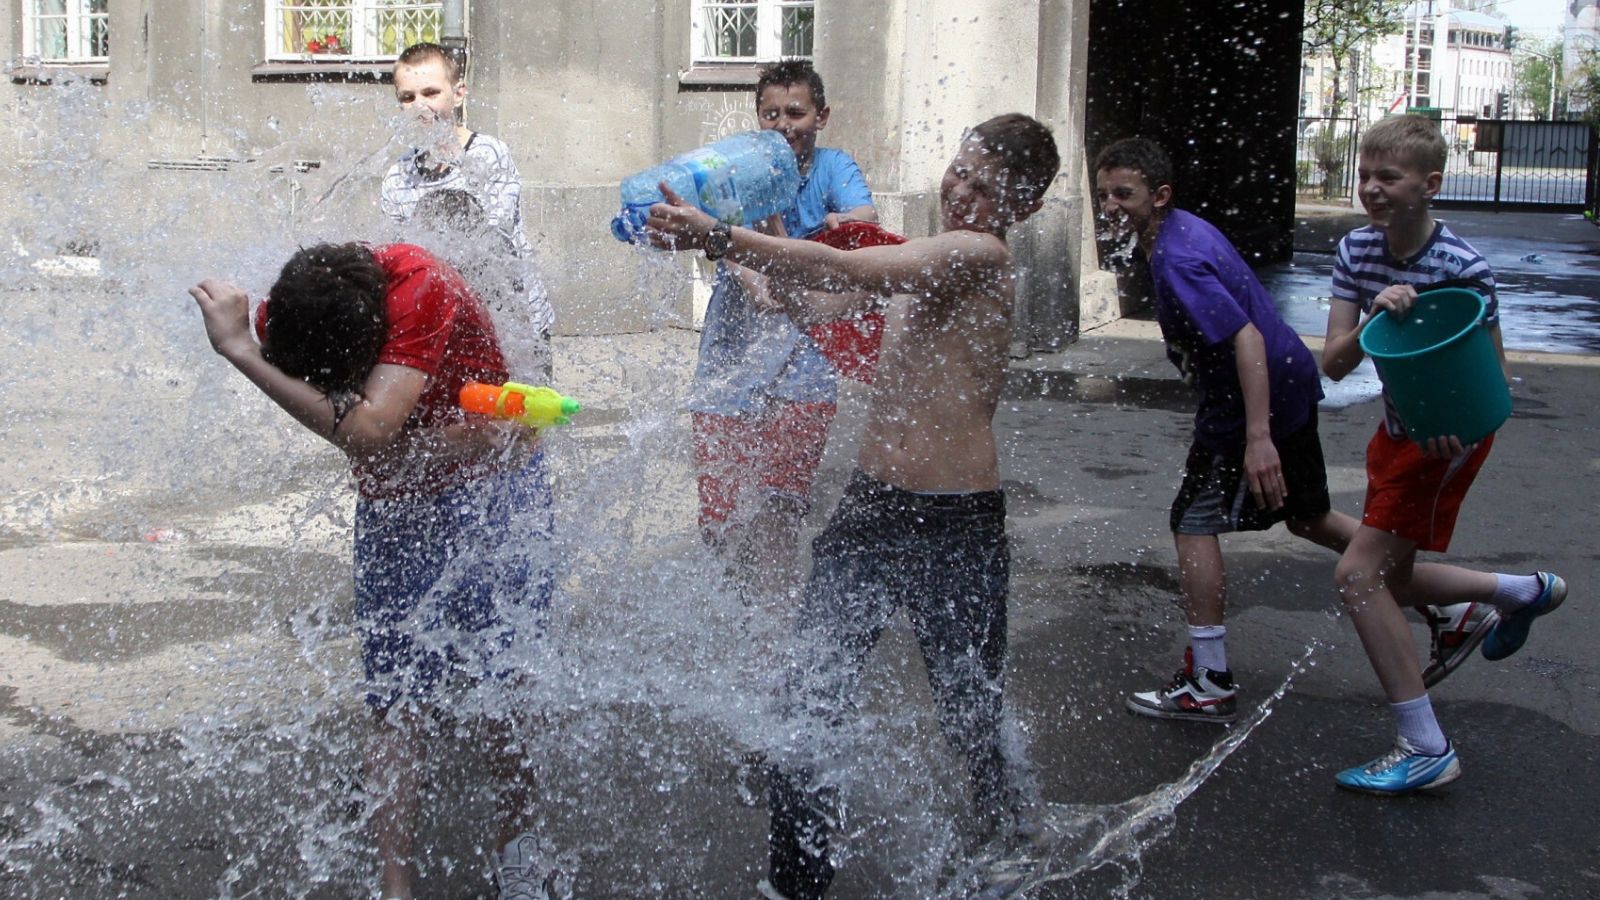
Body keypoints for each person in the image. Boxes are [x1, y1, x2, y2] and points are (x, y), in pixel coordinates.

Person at [648, 112, 1060, 899]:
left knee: (967, 702)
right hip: (871, 509)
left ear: (1025, 206)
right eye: (961, 169)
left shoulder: (980, 255)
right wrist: (751, 244)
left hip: (955, 521)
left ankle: (1012, 832)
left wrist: (722, 236)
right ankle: (796, 878)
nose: (963, 192)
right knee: (812, 688)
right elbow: (817, 307)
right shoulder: (927, 261)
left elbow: (849, 269)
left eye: (986, 187)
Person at [188, 242, 558, 898]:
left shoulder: (420, 285)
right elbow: (361, 432)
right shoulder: (292, 312)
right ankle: (395, 881)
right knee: (394, 698)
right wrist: (420, 439)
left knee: (505, 683)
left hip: (492, 488)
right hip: (395, 502)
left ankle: (517, 844)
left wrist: (241, 353)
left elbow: (370, 431)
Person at [1322, 113, 1567, 795]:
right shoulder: (1356, 252)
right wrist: (1374, 314)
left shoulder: (1463, 267)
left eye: (1388, 177)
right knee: (1394, 582)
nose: (1372, 189)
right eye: (1365, 176)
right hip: (1397, 433)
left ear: (1430, 185)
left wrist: (1454, 424)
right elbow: (1334, 364)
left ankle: (1424, 746)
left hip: (1446, 438)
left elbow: (1493, 374)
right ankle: (1521, 592)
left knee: (1358, 576)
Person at [1094, 137, 1355, 723]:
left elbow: (1247, 338)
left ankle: (1210, 680)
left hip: (1251, 405)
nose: (1111, 205)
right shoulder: (1181, 230)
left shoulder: (1176, 259)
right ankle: (1453, 600)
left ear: (1160, 195)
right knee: (1307, 516)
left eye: (1124, 194)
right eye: (1105, 193)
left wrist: (1258, 438)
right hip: (1288, 384)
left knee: (1192, 522)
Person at [689, 60, 876, 605]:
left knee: (781, 502)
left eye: (796, 112)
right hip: (731, 358)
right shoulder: (736, 171)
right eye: (770, 114)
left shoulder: (833, 167)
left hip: (805, 365)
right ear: (757, 117)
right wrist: (761, 276)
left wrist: (848, 224)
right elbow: (745, 271)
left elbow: (864, 218)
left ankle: (770, 617)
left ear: (821, 116)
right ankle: (723, 610)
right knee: (720, 509)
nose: (783, 125)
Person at [381, 42, 555, 380]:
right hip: (450, 329)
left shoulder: (487, 155)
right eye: (408, 97)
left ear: (459, 94)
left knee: (527, 408)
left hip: (515, 321)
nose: (421, 106)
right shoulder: (398, 177)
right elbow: (399, 259)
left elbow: (494, 241)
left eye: (431, 93)